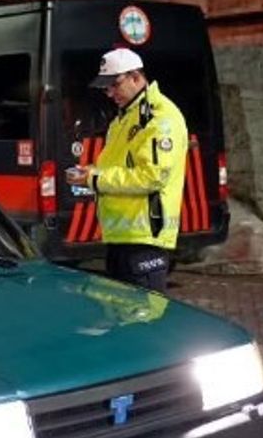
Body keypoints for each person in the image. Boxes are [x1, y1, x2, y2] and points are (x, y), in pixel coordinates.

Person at [65, 48, 187, 292]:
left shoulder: (158, 117)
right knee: (122, 311)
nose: (110, 93)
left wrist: (95, 178)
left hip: (144, 239)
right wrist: (90, 172)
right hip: (123, 238)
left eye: (114, 85)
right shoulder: (125, 117)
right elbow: (120, 167)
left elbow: (152, 176)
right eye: (105, 88)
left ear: (135, 77)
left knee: (145, 313)